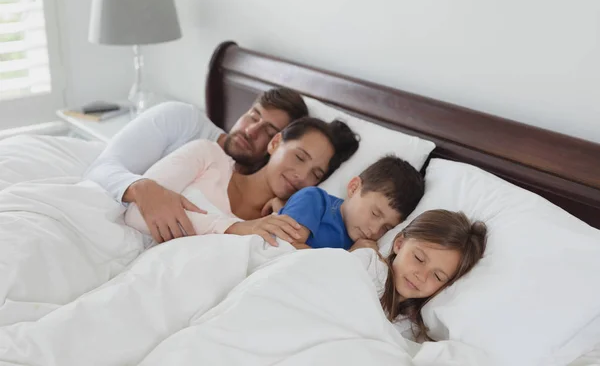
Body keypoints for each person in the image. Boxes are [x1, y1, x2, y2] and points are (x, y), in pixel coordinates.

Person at [86, 88, 309, 237]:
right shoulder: (183, 120)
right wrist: (142, 188)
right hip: (99, 216)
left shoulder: (257, 199)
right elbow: (100, 168)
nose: (251, 131)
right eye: (253, 116)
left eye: (268, 131)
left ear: (276, 144)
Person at [124, 117, 360, 245]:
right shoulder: (208, 156)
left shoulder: (277, 228)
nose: (302, 176)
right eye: (299, 157)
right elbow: (136, 212)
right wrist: (235, 228)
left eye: (315, 175)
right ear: (275, 143)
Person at [276, 155, 425, 251]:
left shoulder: (365, 247)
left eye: (386, 228)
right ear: (354, 188)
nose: (374, 230)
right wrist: (349, 256)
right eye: (375, 213)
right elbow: (286, 250)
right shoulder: (314, 200)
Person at [380, 209, 487, 341]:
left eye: (437, 277)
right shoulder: (368, 266)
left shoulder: (415, 330)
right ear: (399, 244)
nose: (421, 276)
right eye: (419, 258)